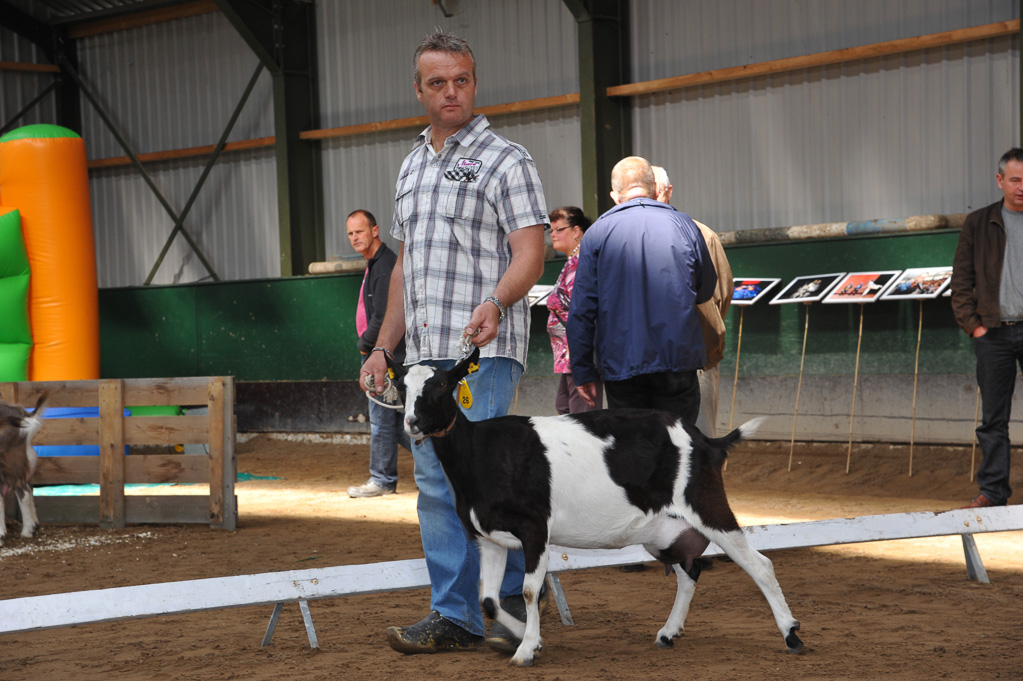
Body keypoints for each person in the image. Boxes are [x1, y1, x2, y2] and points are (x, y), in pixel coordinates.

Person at [360, 30, 548, 654]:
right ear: (418, 90)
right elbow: (406, 272)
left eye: (460, 80)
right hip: (422, 360)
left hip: (482, 350)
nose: (450, 91)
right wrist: (384, 349)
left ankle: (516, 613)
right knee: (437, 488)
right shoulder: (411, 165)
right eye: (437, 82)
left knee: (494, 483)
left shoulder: (506, 159)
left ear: (475, 83)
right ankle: (459, 617)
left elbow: (531, 252)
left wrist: (497, 303)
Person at [567, 156, 716, 424]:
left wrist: (583, 371)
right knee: (678, 449)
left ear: (615, 196)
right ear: (656, 189)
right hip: (677, 359)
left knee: (632, 453)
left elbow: (581, 311)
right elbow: (705, 291)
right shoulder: (686, 226)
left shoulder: (597, 234)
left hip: (621, 364)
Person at [950, 146, 1023, 509]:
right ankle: (993, 493)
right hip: (992, 333)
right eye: (1015, 179)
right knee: (993, 419)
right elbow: (961, 281)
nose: (1021, 187)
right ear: (1000, 181)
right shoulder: (978, 223)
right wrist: (974, 327)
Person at [652, 166, 734, 436]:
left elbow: (720, 292)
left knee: (699, 440)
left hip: (695, 356)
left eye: (656, 191)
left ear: (668, 192)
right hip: (646, 364)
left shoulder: (701, 234)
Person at [345, 209, 411, 498]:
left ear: (375, 230)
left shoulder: (384, 266)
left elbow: (385, 314)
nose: (354, 238)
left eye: (359, 231)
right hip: (385, 354)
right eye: (350, 233)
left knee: (383, 419)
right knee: (398, 423)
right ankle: (439, 463)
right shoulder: (377, 263)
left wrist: (365, 345)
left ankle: (382, 479)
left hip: (383, 355)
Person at [546, 206, 604, 414]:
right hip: (568, 355)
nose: (553, 234)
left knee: (580, 416)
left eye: (559, 229)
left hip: (577, 353)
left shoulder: (580, 263)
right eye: (551, 230)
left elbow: (582, 311)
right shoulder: (571, 261)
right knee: (564, 408)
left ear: (577, 231)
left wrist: (581, 356)